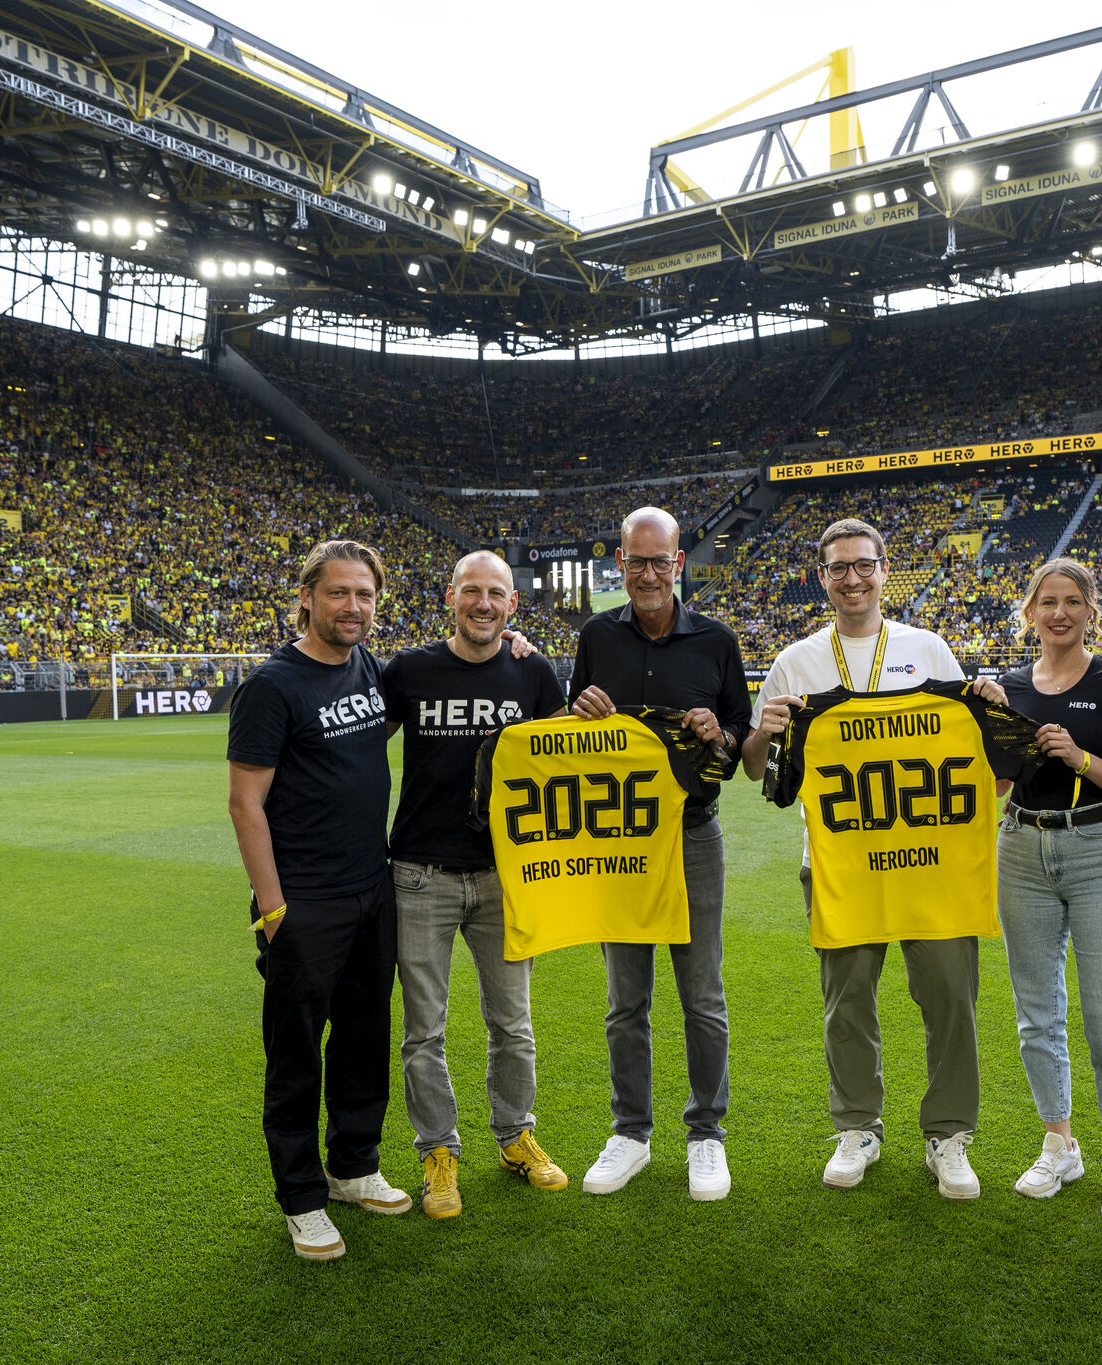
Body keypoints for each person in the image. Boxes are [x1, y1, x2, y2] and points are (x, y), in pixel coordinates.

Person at [741, 516, 1004, 1201]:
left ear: (886, 571)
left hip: (930, 859)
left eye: (864, 565)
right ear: (821, 577)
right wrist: (761, 732)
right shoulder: (795, 661)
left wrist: (991, 708)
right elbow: (758, 775)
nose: (852, 578)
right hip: (839, 861)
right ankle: (857, 1123)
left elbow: (970, 745)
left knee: (951, 996)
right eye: (838, 568)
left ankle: (949, 1132)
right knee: (847, 1001)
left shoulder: (929, 649)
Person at [226, 539, 410, 1263]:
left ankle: (354, 1166)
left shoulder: (367, 666)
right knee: (297, 1053)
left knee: (365, 1037)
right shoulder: (273, 685)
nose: (353, 608)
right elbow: (246, 803)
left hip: (374, 886)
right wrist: (274, 911)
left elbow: (375, 734)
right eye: (338, 594)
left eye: (364, 595)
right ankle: (301, 1196)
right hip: (305, 901)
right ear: (306, 596)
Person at [568, 507, 752, 1201]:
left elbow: (737, 731)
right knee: (625, 1000)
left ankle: (706, 1132)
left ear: (680, 562)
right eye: (636, 561)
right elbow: (576, 734)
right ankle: (630, 1130)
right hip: (618, 841)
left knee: (702, 995)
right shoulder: (595, 635)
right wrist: (578, 707)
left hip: (692, 834)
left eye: (661, 560)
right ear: (620, 563)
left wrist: (720, 732)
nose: (648, 572)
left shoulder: (716, 640)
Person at [383, 550, 568, 1220]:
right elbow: (357, 739)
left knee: (512, 1023)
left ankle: (515, 1136)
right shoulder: (408, 669)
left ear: (512, 605)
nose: (483, 603)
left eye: (496, 593)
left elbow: (560, 763)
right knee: (422, 1029)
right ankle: (438, 1152)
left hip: (504, 877)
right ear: (451, 597)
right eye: (472, 591)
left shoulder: (534, 671)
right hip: (420, 873)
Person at [995, 559, 1102, 1217]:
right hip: (1021, 847)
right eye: (1047, 601)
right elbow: (1000, 781)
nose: (1058, 613)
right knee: (1037, 1009)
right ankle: (1059, 1142)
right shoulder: (1007, 684)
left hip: (1099, 849)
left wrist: (1081, 758)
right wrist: (988, 719)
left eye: (1072, 601)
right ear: (1030, 611)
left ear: (1093, 609)